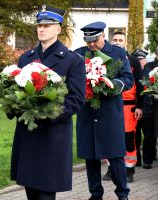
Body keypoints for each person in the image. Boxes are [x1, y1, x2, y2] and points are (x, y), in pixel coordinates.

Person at [8, 5, 86, 200]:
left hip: (53, 134)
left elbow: (76, 99)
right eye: (39, 25)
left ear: (58, 29)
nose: (42, 29)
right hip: (28, 133)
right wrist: (16, 107)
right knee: (31, 191)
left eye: (47, 25)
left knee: (45, 193)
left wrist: (48, 115)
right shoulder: (26, 58)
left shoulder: (72, 60)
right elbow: (16, 91)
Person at [75, 22, 134, 200]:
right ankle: (95, 194)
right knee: (90, 156)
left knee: (115, 155)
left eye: (94, 40)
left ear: (102, 36)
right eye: (88, 41)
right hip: (87, 112)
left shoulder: (118, 53)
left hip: (109, 113)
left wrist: (113, 84)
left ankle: (122, 193)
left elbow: (128, 78)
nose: (91, 45)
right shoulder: (79, 54)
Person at [102, 31, 144, 183]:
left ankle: (129, 169)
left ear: (125, 42)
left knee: (128, 139)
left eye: (121, 40)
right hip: (110, 105)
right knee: (109, 137)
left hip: (128, 107)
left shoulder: (133, 61)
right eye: (115, 39)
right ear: (111, 41)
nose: (118, 42)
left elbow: (140, 85)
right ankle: (111, 168)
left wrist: (140, 106)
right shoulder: (104, 58)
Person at [132, 48, 157, 169]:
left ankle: (147, 160)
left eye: (141, 59)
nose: (139, 61)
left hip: (148, 109)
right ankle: (136, 160)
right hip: (135, 109)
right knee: (135, 137)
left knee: (149, 136)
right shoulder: (130, 71)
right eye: (137, 59)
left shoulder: (151, 70)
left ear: (145, 60)